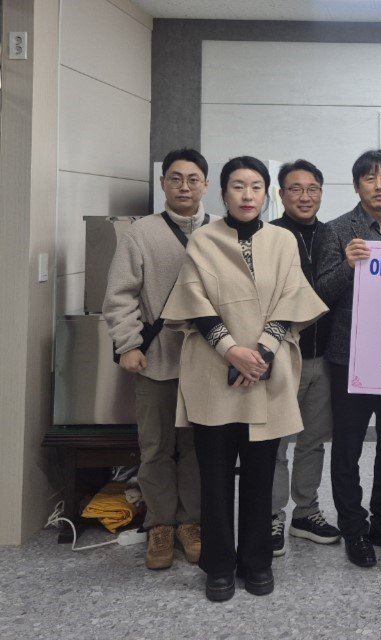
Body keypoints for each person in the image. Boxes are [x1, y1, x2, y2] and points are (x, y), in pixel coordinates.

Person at [162, 156, 327, 602]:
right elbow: (193, 300)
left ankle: (257, 561)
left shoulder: (282, 240)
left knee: (260, 474)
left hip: (266, 373)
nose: (247, 194)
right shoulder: (203, 239)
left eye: (256, 186)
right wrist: (231, 350)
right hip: (214, 371)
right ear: (223, 193)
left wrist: (263, 352)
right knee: (214, 477)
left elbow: (292, 298)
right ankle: (218, 566)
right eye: (238, 186)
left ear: (267, 193)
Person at [102, 148, 208, 570]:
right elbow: (120, 295)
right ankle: (161, 524)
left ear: (205, 184)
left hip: (207, 362)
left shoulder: (220, 230)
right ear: (163, 183)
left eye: (193, 179)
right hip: (156, 359)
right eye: (175, 178)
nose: (184, 186)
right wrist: (128, 343)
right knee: (156, 447)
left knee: (197, 448)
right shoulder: (141, 233)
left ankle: (192, 522)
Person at [314, 149, 381, 568]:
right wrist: (348, 265)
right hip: (350, 356)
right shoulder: (337, 230)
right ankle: (354, 529)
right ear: (357, 185)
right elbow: (321, 294)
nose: (379, 186)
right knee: (348, 448)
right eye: (370, 179)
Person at [269, 159, 340, 555]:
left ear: (321, 193)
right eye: (295, 188)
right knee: (276, 442)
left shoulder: (332, 235)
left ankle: (306, 512)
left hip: (323, 357)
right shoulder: (268, 235)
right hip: (282, 356)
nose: (305, 196)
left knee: (313, 440)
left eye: (312, 188)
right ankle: (271, 514)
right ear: (281, 194)